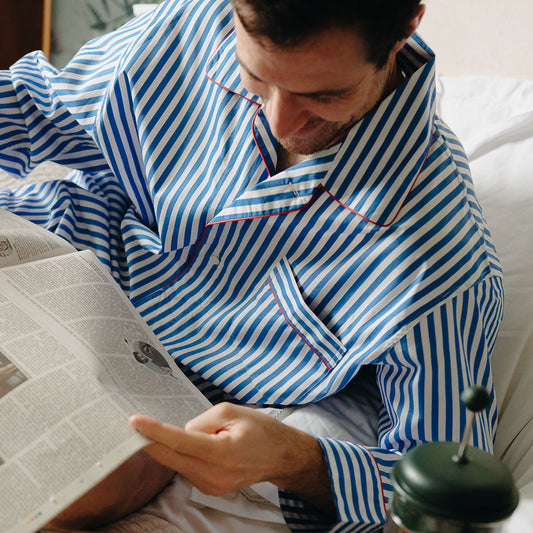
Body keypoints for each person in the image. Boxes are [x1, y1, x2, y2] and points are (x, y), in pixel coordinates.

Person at [0, 0, 503, 531]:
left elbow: (438, 493)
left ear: (406, 27)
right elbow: (32, 106)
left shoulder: (441, 260)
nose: (278, 119)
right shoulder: (194, 23)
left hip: (142, 402)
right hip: (50, 250)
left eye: (323, 96)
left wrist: (294, 459)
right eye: (256, 78)